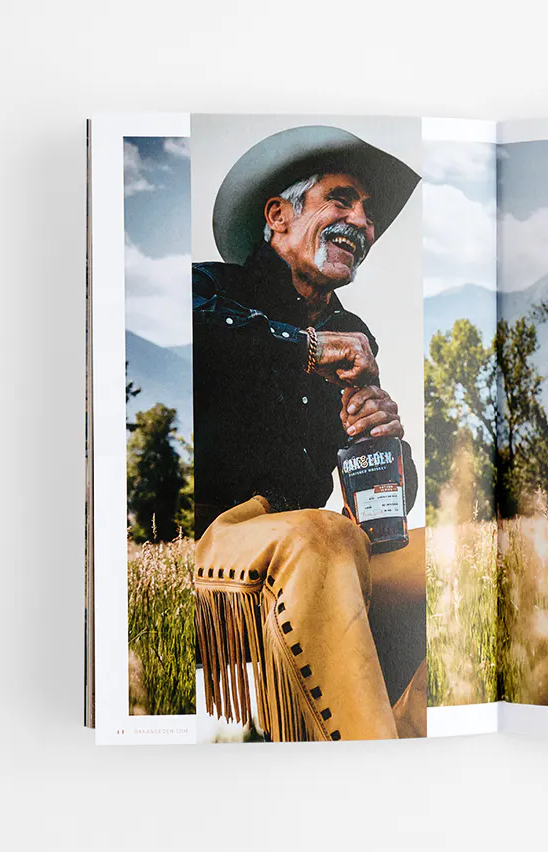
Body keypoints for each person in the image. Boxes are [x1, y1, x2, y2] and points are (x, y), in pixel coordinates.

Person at [190, 125, 425, 742]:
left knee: (432, 558)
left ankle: (388, 734)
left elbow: (385, 506)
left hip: (316, 547)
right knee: (323, 535)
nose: (362, 223)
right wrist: (306, 347)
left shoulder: (354, 332)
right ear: (278, 216)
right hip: (211, 542)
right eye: (341, 200)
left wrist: (384, 445)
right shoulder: (209, 289)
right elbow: (202, 329)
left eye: (368, 213)